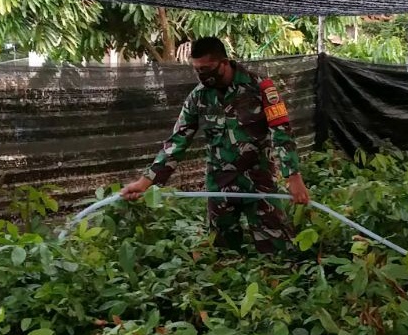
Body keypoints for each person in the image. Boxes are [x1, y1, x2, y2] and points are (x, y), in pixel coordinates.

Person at [120, 37, 310, 254]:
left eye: (208, 69)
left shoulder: (261, 88)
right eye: (198, 70)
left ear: (225, 62)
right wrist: (146, 182)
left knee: (278, 250)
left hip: (259, 181)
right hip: (220, 184)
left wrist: (293, 176)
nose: (203, 75)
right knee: (223, 253)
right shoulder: (198, 97)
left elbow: (281, 131)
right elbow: (178, 141)